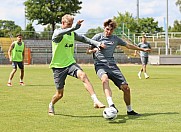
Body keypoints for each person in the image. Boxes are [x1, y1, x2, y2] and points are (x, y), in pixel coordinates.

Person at [87, 19, 150, 116]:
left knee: (126, 88)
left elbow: (128, 46)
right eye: (107, 29)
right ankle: (111, 104)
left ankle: (130, 111)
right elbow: (88, 51)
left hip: (112, 66)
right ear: (104, 28)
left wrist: (142, 49)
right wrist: (95, 49)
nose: (109, 32)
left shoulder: (115, 39)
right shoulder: (97, 37)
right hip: (100, 65)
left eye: (111, 30)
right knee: (104, 80)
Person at [48, 14, 106, 116]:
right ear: (63, 23)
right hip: (58, 67)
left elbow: (85, 39)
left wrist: (97, 44)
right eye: (69, 24)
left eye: (71, 24)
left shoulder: (72, 34)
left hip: (70, 64)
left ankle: (95, 101)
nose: (70, 26)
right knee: (60, 94)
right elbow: (64, 31)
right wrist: (75, 27)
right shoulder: (57, 33)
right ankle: (51, 104)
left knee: (83, 75)